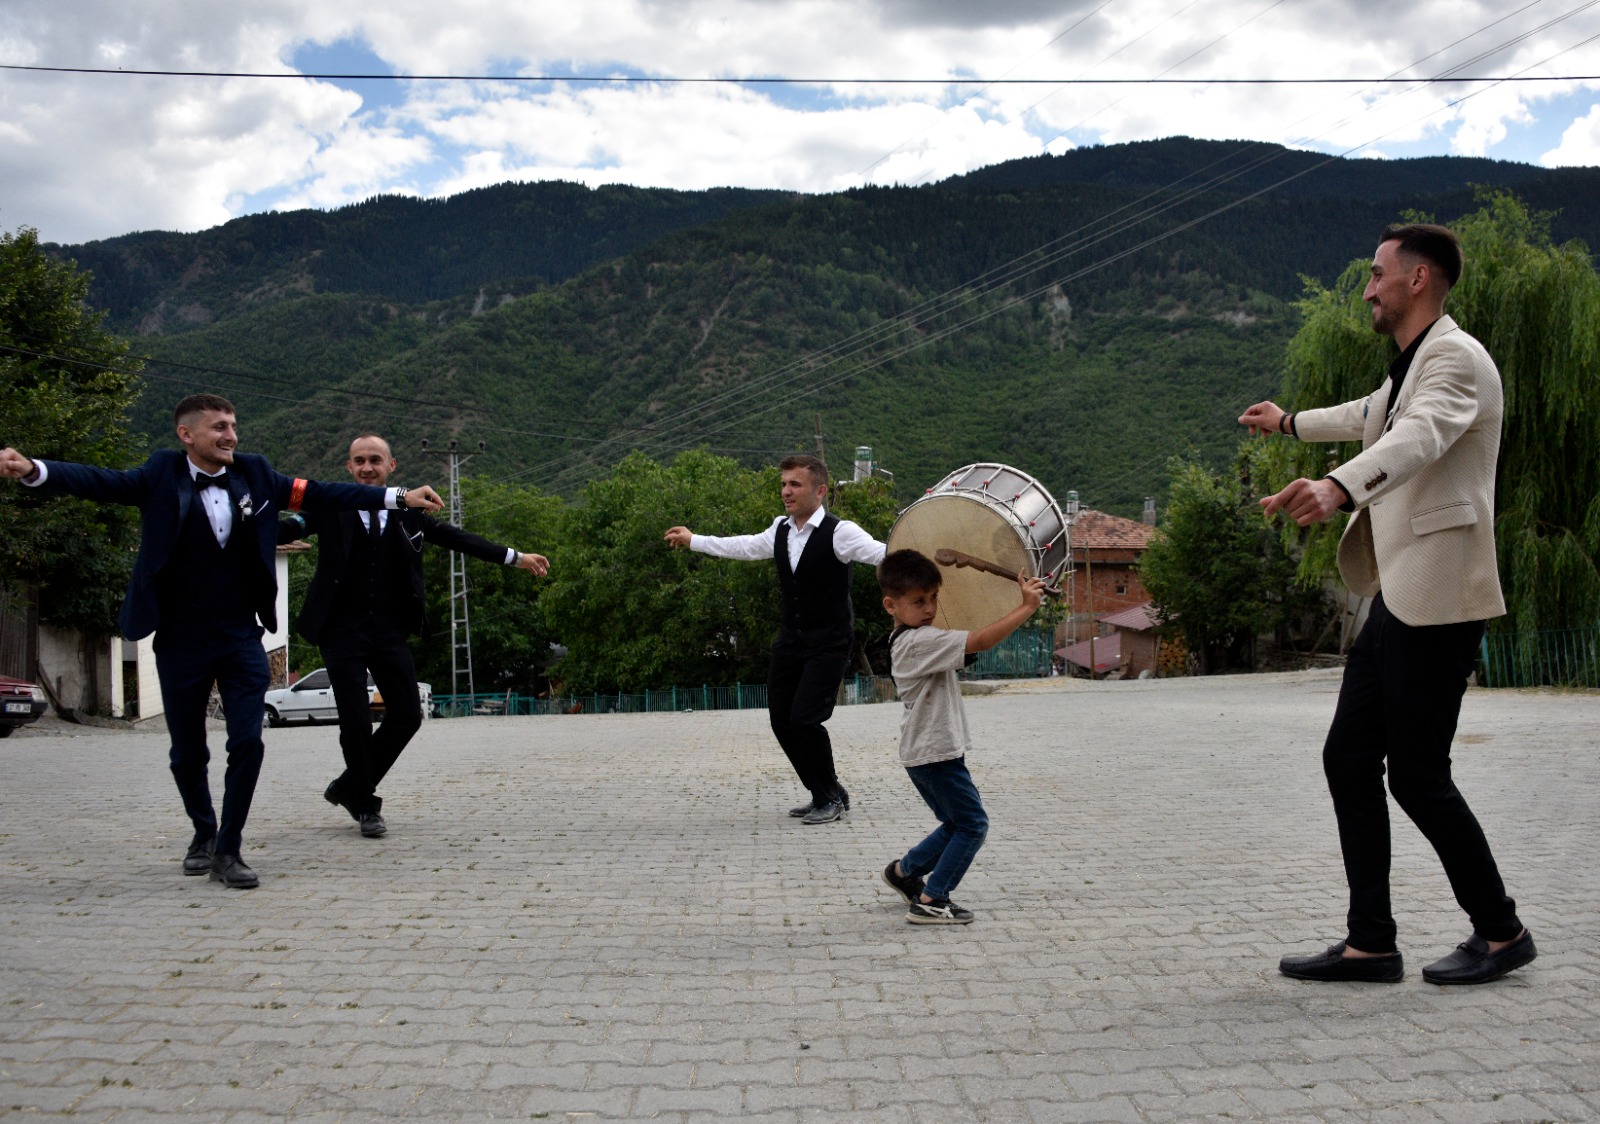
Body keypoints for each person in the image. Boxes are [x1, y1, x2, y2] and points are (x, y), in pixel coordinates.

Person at [1240, 222, 1535, 985]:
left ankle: (1501, 932)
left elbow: (1421, 438)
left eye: (1377, 274)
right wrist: (1290, 424)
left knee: (1417, 776)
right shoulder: (1409, 367)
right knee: (1348, 758)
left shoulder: (1456, 361)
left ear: (1419, 280)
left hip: (1440, 597)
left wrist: (1338, 488)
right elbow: (1369, 417)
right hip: (1400, 597)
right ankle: (1371, 941)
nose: (1367, 287)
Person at [0, 394, 444, 889]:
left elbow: (324, 493)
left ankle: (229, 850)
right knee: (188, 751)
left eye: (233, 425)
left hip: (240, 634)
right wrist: (34, 468)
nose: (231, 435)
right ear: (187, 435)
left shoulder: (257, 474)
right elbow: (102, 482)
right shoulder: (159, 474)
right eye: (218, 427)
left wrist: (397, 496)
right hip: (180, 636)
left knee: (247, 741)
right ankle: (202, 834)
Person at [279, 433, 549, 838]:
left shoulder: (411, 514)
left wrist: (515, 557)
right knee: (354, 719)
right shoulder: (331, 504)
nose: (366, 467)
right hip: (340, 629)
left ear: (392, 467)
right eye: (358, 461)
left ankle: (350, 785)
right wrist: (250, 529)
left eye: (374, 460)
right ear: (348, 469)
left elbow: (459, 539)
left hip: (389, 630)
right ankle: (366, 804)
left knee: (407, 715)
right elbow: (293, 524)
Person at [663, 454, 885, 824]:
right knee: (781, 721)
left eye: (795, 484)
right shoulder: (780, 529)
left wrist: (927, 555)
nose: (786, 491)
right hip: (790, 641)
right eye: (783, 484)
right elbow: (744, 546)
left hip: (829, 642)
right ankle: (825, 792)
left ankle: (830, 798)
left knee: (804, 720)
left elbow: (882, 554)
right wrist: (694, 540)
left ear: (820, 490)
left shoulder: (840, 532)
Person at [876, 549, 1043, 924]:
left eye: (934, 597)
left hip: (926, 754)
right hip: (935, 754)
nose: (930, 607)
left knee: (955, 824)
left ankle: (903, 873)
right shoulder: (919, 642)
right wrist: (1027, 606)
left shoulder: (912, 638)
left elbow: (973, 639)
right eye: (918, 601)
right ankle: (933, 900)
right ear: (891, 605)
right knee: (973, 825)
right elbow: (981, 640)